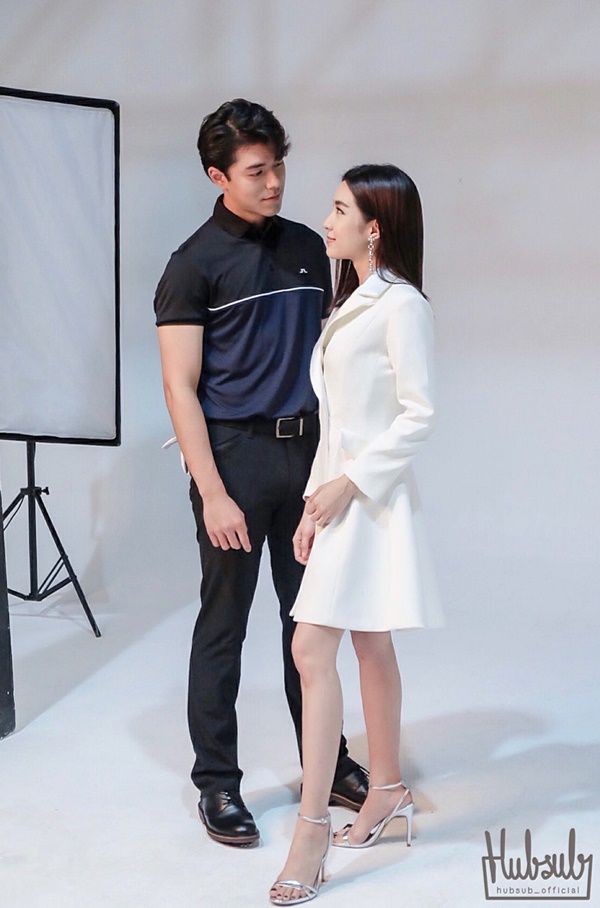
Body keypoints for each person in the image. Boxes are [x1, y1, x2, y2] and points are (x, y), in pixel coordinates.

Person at [154, 100, 368, 848]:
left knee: (309, 623)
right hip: (235, 461)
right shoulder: (192, 266)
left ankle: (328, 764)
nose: (274, 181)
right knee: (225, 624)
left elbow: (335, 352)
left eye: (278, 165)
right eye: (256, 171)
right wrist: (213, 492)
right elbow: (179, 386)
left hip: (307, 456)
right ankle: (217, 782)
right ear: (218, 177)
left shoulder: (310, 246)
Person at [269, 164, 442, 903]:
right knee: (366, 642)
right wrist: (314, 504)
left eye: (340, 210)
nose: (326, 221)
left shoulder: (401, 305)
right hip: (341, 498)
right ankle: (388, 788)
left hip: (370, 502)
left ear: (374, 228)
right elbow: (336, 424)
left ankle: (311, 829)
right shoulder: (350, 301)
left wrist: (348, 486)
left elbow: (419, 414)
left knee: (312, 647)